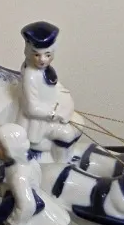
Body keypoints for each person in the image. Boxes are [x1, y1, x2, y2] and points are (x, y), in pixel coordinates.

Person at [15, 21, 81, 161]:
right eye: (36, 55)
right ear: (28, 52)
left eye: (48, 54)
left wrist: (65, 98)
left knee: (79, 123)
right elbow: (31, 109)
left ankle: (68, 156)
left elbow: (52, 86)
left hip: (50, 110)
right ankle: (60, 163)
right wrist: (55, 114)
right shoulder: (31, 75)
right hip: (37, 123)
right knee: (67, 134)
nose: (42, 60)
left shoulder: (43, 70)